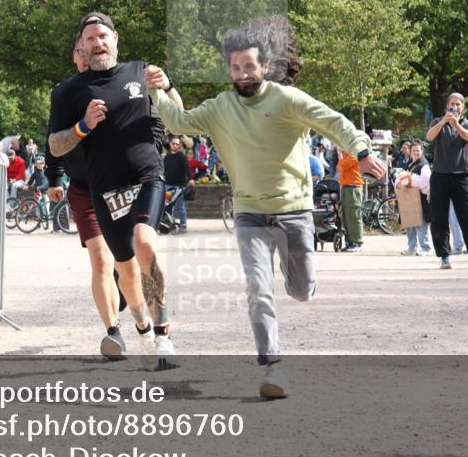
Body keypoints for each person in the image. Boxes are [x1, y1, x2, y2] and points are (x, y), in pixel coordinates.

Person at [146, 22, 386, 398]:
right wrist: (157, 90)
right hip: (249, 213)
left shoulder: (286, 99)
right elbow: (179, 122)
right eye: (236, 68)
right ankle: (273, 367)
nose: (243, 75)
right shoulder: (221, 107)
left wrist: (363, 151)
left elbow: (334, 122)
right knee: (258, 289)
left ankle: (301, 285)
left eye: (249, 67)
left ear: (266, 65)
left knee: (302, 290)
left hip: (294, 210)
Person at [46, 13, 178, 369]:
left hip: (147, 177)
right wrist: (83, 125)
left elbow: (177, 115)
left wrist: (167, 87)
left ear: (115, 38)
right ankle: (143, 327)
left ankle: (164, 334)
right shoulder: (69, 92)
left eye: (103, 36)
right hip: (104, 192)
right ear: (83, 47)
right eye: (90, 39)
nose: (97, 43)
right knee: (127, 272)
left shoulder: (140, 71)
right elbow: (55, 146)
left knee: (145, 243)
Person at [425, 92, 468, 270]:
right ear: (446, 106)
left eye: (458, 104)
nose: (455, 107)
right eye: (452, 104)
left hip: (461, 175)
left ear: (463, 107)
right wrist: (444, 121)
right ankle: (444, 255)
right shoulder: (438, 121)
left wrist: (456, 124)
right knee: (439, 218)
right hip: (439, 175)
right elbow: (429, 137)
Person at [395, 141, 432, 256]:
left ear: (422, 151)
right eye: (413, 151)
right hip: (410, 200)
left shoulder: (424, 164)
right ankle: (411, 248)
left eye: (418, 150)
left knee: (421, 225)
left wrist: (410, 182)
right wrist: (401, 182)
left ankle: (425, 248)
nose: (416, 153)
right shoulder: (411, 164)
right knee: (410, 224)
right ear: (410, 152)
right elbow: (402, 178)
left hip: (421, 199)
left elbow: (425, 181)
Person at [163, 136, 194, 233]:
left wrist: (190, 179)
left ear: (179, 146)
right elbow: (164, 170)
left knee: (180, 206)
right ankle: (169, 224)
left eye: (177, 144)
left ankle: (183, 225)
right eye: (173, 143)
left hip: (179, 187)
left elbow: (187, 169)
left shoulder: (182, 156)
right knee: (168, 206)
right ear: (170, 144)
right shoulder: (167, 156)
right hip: (168, 185)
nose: (175, 145)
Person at [336, 147, 364, 252]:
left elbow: (342, 166)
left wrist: (339, 154)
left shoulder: (353, 153)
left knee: (354, 215)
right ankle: (350, 242)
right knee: (345, 215)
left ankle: (357, 242)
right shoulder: (346, 155)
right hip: (346, 187)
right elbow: (339, 168)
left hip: (354, 187)